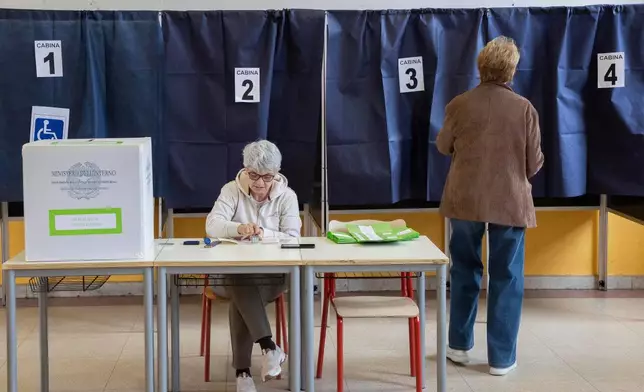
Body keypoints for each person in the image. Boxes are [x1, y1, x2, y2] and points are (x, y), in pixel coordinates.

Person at [436, 36, 544, 376]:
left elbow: (442, 146)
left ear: (480, 66)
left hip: (464, 199)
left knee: (464, 270)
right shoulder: (525, 108)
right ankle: (501, 358)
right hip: (510, 202)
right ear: (511, 70)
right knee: (506, 276)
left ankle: (458, 346)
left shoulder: (458, 104)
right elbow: (534, 163)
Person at [205, 140, 301, 392]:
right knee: (239, 279)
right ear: (245, 170)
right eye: (253, 175)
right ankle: (269, 347)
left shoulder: (287, 197)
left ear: (276, 174)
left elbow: (293, 237)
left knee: (241, 292)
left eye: (267, 177)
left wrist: (263, 234)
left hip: (272, 277)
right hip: (228, 276)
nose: (259, 183)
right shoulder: (231, 190)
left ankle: (243, 374)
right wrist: (238, 228)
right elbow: (212, 225)